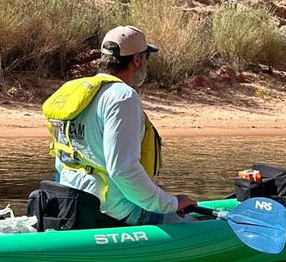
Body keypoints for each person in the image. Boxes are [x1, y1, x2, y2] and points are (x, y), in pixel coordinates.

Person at [43, 25, 196, 225]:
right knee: (190, 222)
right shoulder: (123, 97)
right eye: (146, 58)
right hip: (113, 211)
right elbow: (123, 170)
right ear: (137, 59)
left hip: (69, 203)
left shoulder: (76, 92)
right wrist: (171, 203)